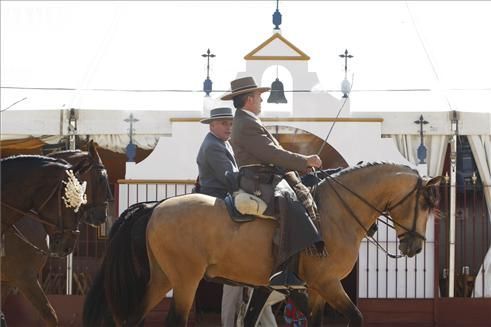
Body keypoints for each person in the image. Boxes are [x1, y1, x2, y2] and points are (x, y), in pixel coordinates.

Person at [221, 76, 325, 288]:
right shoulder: (245, 122)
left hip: (266, 176)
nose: (262, 100)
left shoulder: (248, 120)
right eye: (259, 96)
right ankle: (282, 270)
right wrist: (304, 160)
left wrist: (301, 164)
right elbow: (270, 153)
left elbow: (273, 153)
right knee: (291, 203)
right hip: (257, 180)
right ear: (249, 99)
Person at [196, 106, 276, 327]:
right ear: (212, 125)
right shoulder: (212, 146)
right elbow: (229, 178)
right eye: (223, 123)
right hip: (219, 199)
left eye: (230, 123)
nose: (228, 127)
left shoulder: (223, 143)